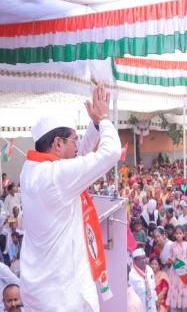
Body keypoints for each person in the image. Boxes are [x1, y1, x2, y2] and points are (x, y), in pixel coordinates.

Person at [19, 85, 121, 312]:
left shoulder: (31, 169)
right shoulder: (56, 177)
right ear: (57, 144)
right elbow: (111, 152)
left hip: (40, 291)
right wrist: (104, 119)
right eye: (74, 140)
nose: (77, 145)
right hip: (64, 296)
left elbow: (79, 157)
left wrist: (94, 126)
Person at [166, 225, 187, 312]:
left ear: (184, 234)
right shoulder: (172, 245)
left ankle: (184, 308)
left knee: (184, 289)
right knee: (175, 289)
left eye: (180, 233)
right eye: (177, 233)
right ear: (174, 234)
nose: (178, 235)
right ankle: (175, 307)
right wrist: (171, 260)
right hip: (175, 272)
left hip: (185, 271)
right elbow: (169, 258)